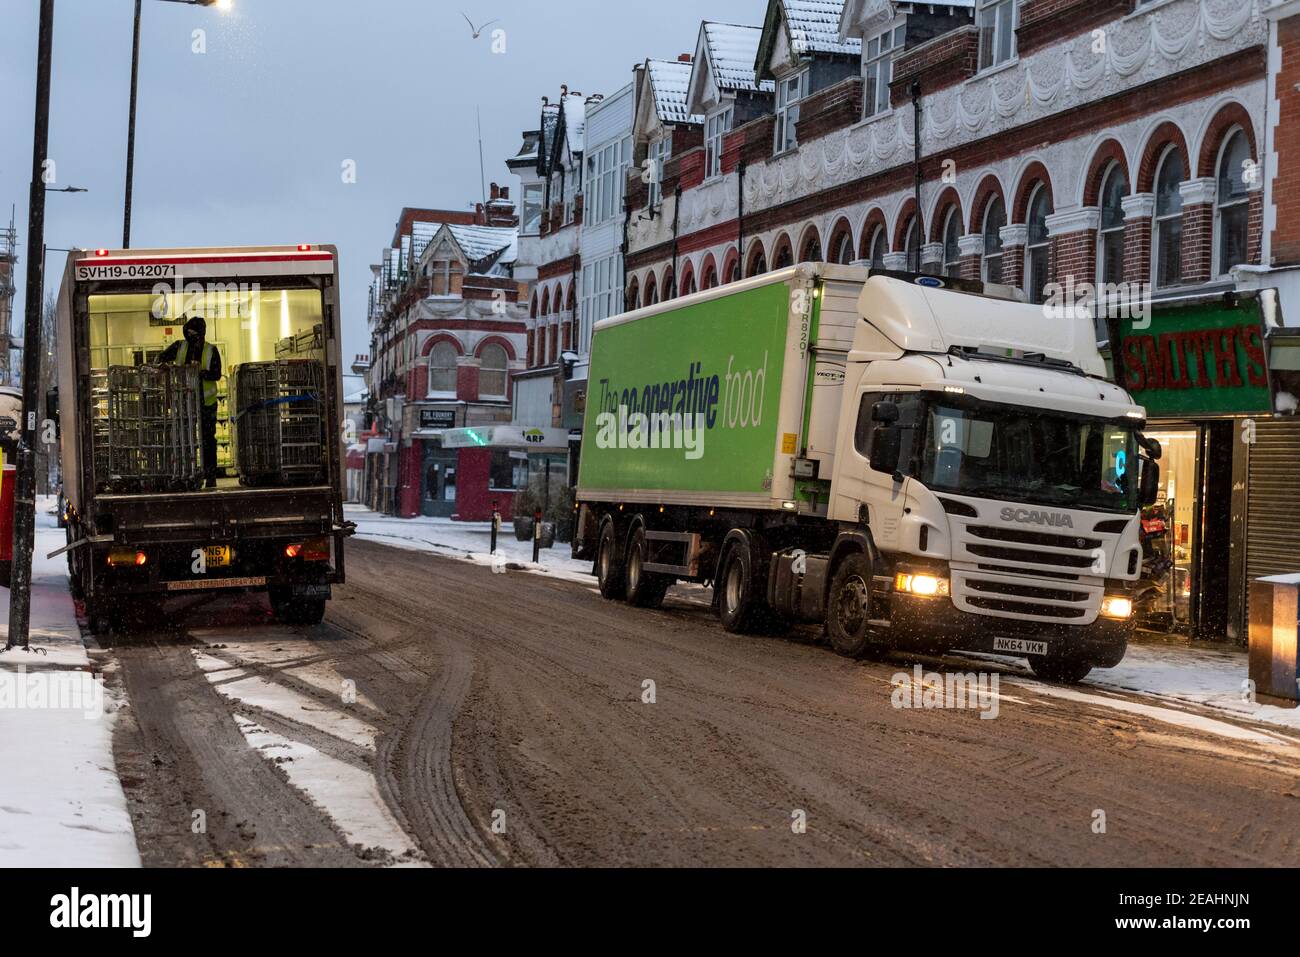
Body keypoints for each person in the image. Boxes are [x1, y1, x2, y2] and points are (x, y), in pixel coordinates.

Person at [159, 316, 222, 488]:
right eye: (188, 332)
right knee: (184, 439)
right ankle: (186, 473)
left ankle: (210, 475)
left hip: (206, 403)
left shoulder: (210, 350)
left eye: (194, 332)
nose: (190, 335)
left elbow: (216, 374)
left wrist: (199, 373)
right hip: (185, 403)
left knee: (208, 440)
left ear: (201, 333)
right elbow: (161, 357)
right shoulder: (180, 346)